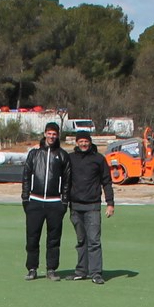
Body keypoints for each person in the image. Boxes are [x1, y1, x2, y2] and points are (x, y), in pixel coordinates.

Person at [63, 129, 115, 284]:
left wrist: (110, 203)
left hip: (93, 207)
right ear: (77, 143)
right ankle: (81, 271)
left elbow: (107, 182)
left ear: (90, 142)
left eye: (86, 141)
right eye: (81, 141)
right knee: (81, 240)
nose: (83, 144)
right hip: (75, 206)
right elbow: (63, 180)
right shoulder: (70, 158)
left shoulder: (99, 159)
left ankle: (96, 273)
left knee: (94, 241)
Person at [19, 122, 67, 280]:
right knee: (32, 237)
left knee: (54, 238)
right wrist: (26, 198)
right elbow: (26, 177)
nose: (52, 136)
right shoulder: (34, 154)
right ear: (45, 134)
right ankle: (32, 268)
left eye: (54, 134)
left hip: (55, 203)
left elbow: (67, 181)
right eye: (49, 133)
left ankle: (51, 269)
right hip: (35, 201)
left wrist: (64, 202)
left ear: (57, 135)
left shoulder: (62, 155)